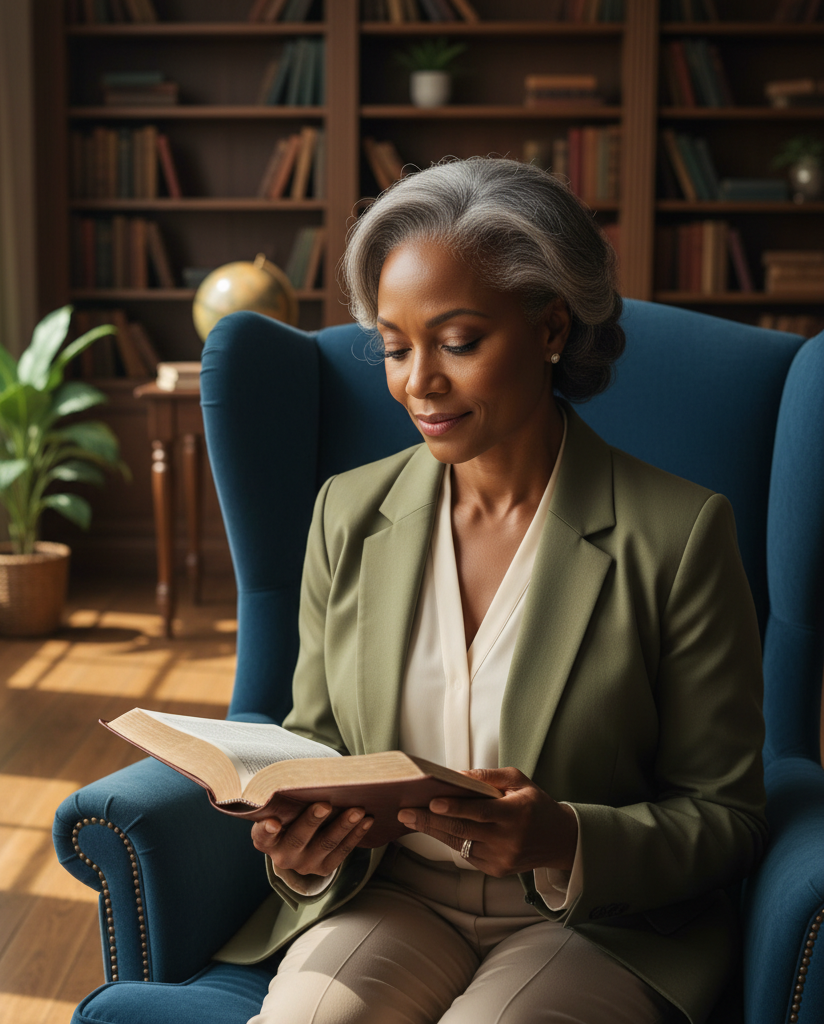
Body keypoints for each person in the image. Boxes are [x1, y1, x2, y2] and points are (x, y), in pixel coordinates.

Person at [215, 157, 767, 1024]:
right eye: (395, 348)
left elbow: (727, 815)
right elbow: (318, 745)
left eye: (458, 342)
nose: (418, 382)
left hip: (592, 923)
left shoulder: (681, 533)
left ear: (551, 328)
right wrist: (301, 847)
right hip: (392, 900)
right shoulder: (347, 513)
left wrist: (565, 838)